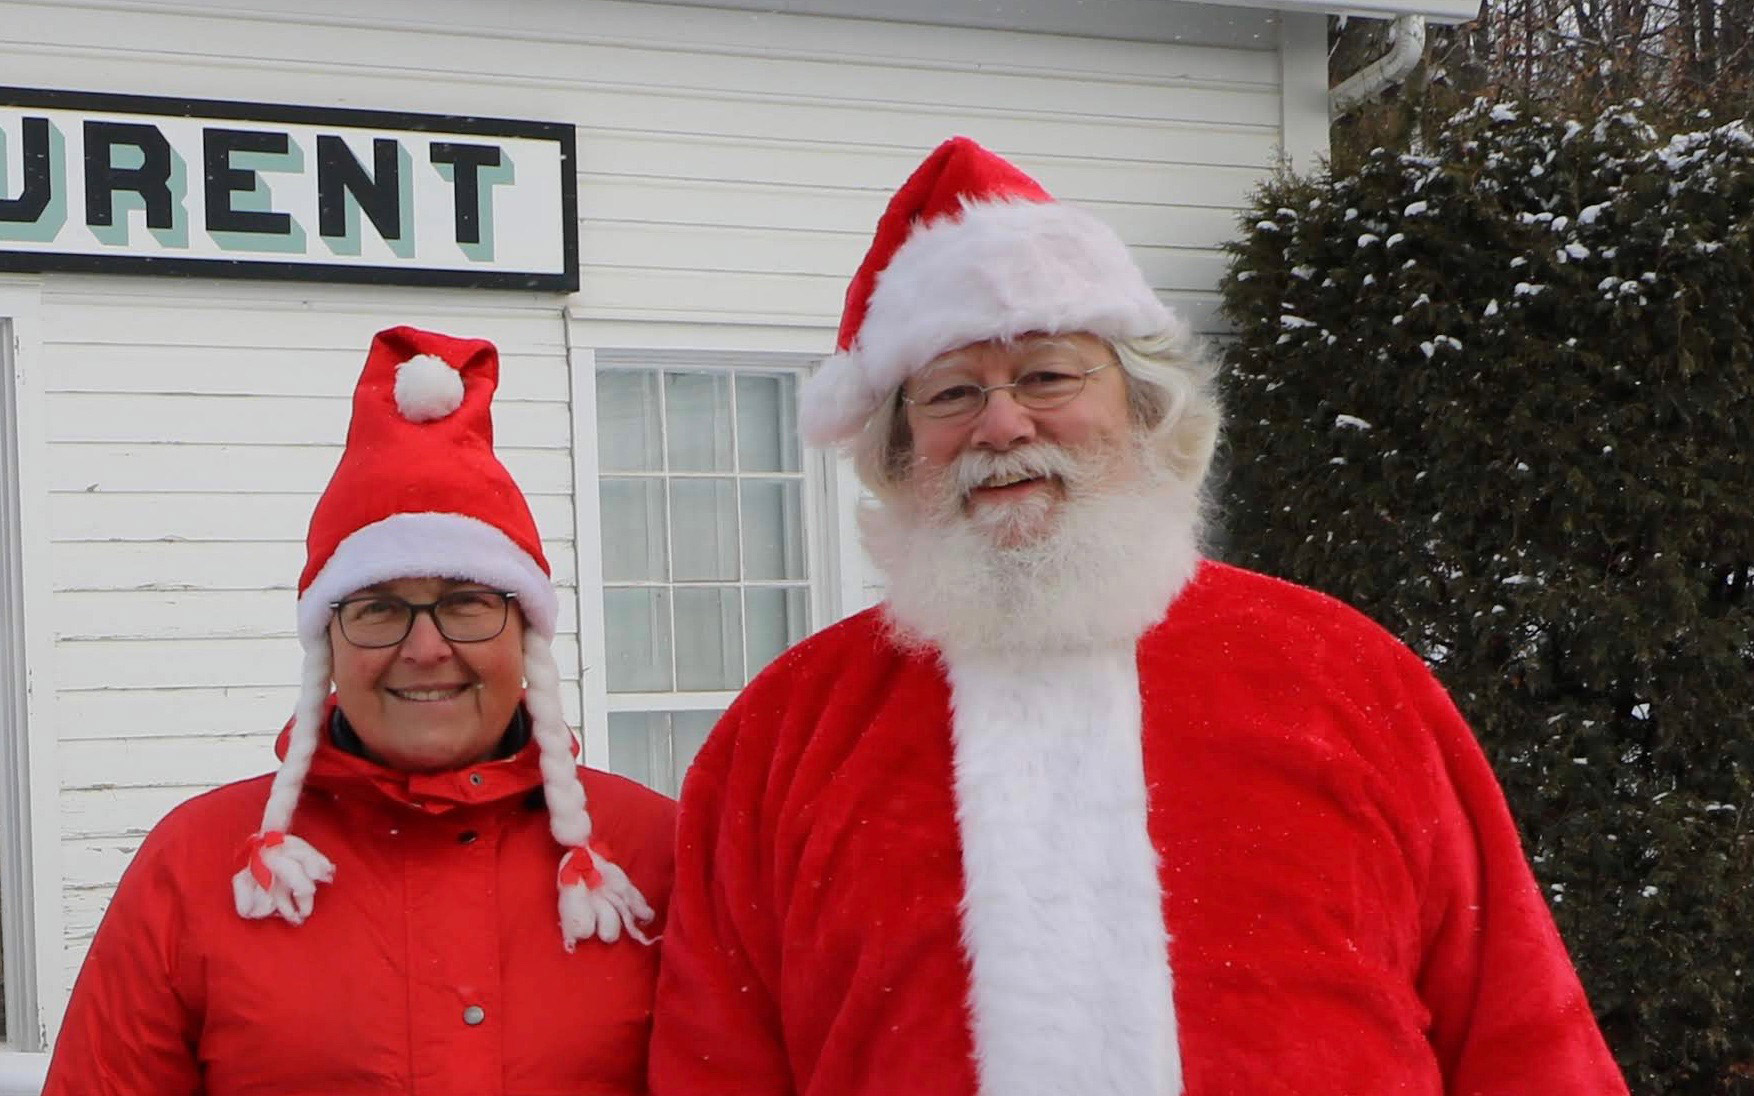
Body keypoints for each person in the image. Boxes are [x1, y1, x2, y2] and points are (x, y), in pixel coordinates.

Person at [647, 138, 1628, 1095]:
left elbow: (1518, 1028)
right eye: (950, 393)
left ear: (1143, 405)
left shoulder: (1344, 675)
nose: (1001, 425)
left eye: (1046, 375)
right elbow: (714, 1060)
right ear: (900, 451)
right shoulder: (784, 736)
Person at [45, 326, 674, 1095]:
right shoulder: (194, 868)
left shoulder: (657, 859)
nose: (425, 648)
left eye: (466, 603)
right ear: (328, 647)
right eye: (378, 609)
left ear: (527, 634)